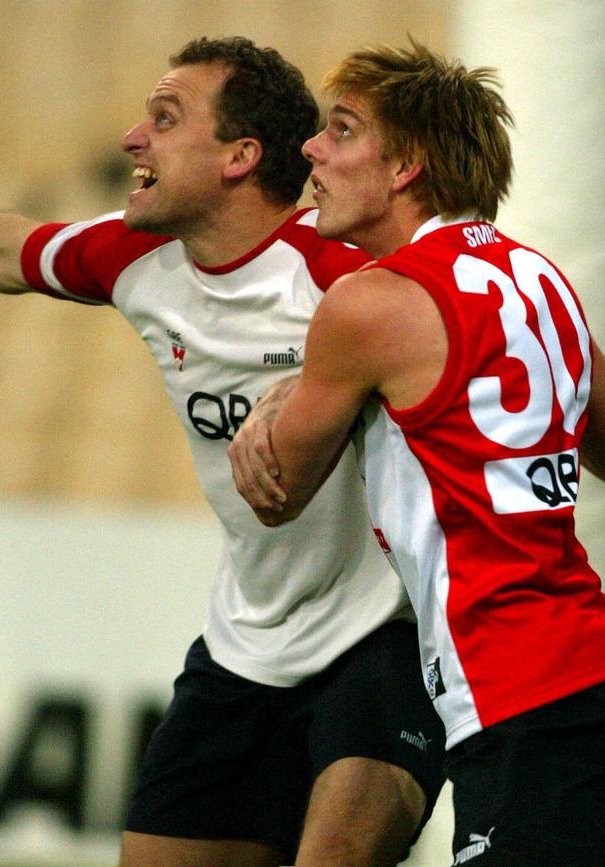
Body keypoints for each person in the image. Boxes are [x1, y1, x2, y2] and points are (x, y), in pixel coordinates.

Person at [0, 37, 447, 867]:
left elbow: (492, 349)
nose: (131, 140)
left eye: (165, 118)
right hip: (245, 647)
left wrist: (327, 381)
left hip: (386, 637)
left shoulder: (349, 280)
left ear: (240, 157)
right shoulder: (133, 255)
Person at [230, 39, 605, 866]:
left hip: (512, 693)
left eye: (343, 131)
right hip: (580, 664)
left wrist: (278, 399)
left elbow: (274, 487)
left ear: (406, 167)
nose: (312, 150)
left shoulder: (370, 302)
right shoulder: (543, 281)